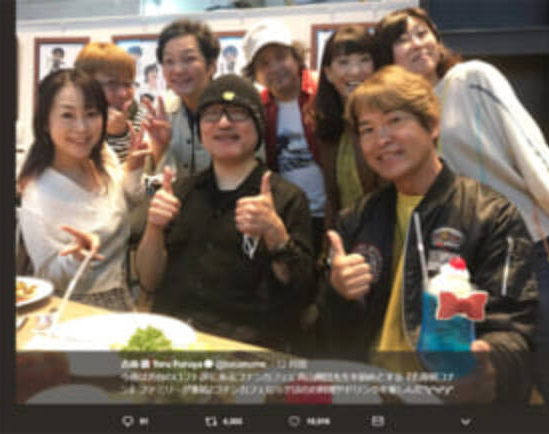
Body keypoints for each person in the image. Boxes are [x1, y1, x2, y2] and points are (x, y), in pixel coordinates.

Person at [375, 7, 549, 403]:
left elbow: (531, 149)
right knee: (503, 368)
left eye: (422, 33)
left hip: (537, 241)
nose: (416, 43)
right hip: (481, 256)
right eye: (401, 38)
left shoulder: (471, 78)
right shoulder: (404, 116)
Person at [322, 65, 538, 403]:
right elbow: (327, 333)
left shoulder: (491, 215)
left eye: (395, 120)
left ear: (432, 125)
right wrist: (337, 292)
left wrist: (489, 368)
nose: (382, 139)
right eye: (368, 129)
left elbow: (513, 329)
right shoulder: (356, 218)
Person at [135, 75, 315, 352]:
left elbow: (300, 294)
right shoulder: (179, 191)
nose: (223, 123)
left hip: (245, 352)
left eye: (238, 113)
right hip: (173, 341)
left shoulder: (287, 198)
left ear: (258, 126)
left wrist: (276, 235)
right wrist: (154, 227)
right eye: (211, 114)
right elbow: (148, 281)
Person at [17, 69, 151, 310]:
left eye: (91, 114)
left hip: (120, 294)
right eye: (67, 115)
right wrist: (75, 258)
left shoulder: (103, 156)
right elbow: (46, 274)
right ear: (45, 122)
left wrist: (134, 169)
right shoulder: (38, 192)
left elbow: (125, 203)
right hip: (72, 306)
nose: (81, 127)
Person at [242, 20, 326, 254]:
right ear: (255, 74)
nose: (274, 68)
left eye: (281, 57)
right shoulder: (258, 108)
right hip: (288, 216)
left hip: (332, 212)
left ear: (296, 58)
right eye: (264, 63)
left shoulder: (322, 91)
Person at [312, 25, 383, 230]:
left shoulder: (388, 119)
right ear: (328, 73)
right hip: (347, 235)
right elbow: (333, 198)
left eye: (364, 60)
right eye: (343, 62)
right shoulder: (327, 125)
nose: (355, 71)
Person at [75, 42, 170, 165]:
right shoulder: (75, 121)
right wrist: (117, 135)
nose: (123, 93)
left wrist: (160, 146)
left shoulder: (143, 118)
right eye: (111, 84)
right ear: (86, 85)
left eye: (128, 84)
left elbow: (146, 170)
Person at [155, 19, 220, 180]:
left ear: (212, 66)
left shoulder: (233, 109)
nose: (178, 70)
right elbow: (152, 178)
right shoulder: (162, 110)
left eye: (189, 59)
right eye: (169, 61)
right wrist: (159, 148)